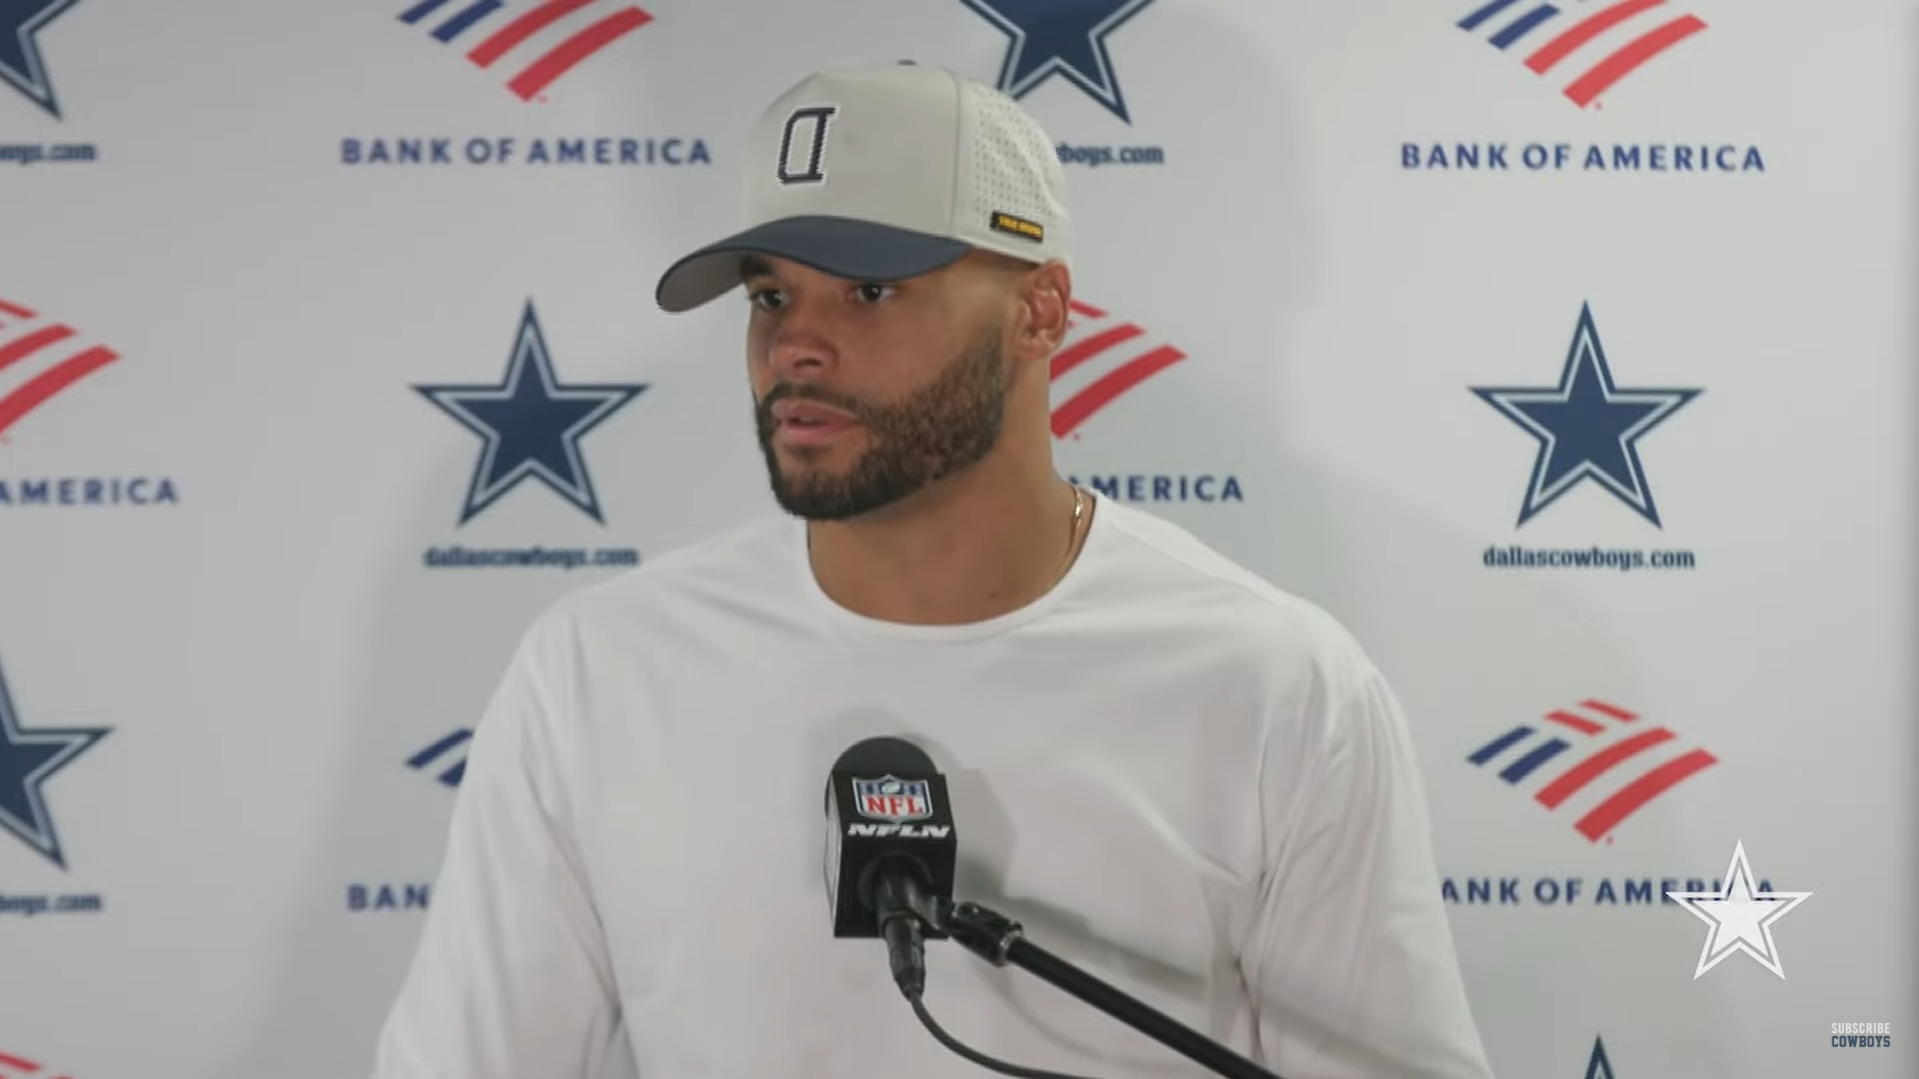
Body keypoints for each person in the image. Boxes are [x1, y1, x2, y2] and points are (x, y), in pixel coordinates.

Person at [369, 60, 1496, 1079]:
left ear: (1040, 313)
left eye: (869, 290)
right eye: (770, 295)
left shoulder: (1276, 683)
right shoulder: (598, 670)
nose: (794, 346)